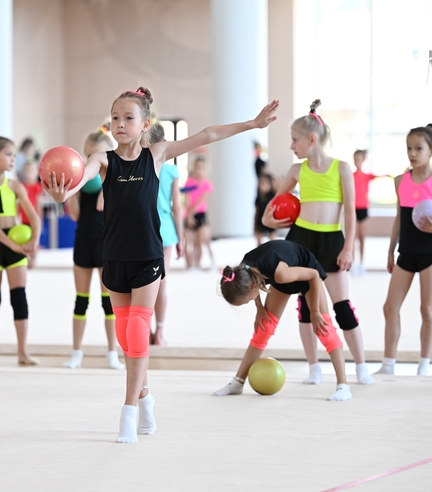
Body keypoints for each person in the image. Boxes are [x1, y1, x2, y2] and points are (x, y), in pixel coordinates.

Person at [45, 86, 279, 443]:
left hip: (148, 257)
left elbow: (208, 134)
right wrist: (65, 193)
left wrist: (252, 123)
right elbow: (83, 175)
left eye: (128, 118)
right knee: (127, 341)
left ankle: (128, 413)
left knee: (139, 333)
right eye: (115, 118)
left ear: (145, 124)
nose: (120, 124)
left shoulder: (156, 154)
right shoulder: (103, 157)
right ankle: (147, 396)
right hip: (114, 260)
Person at [262, 99, 374, 386]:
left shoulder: (342, 168)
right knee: (306, 306)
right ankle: (314, 367)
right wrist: (269, 220)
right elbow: (271, 208)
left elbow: (350, 210)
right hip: (301, 241)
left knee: (342, 306)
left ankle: (360, 366)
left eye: (294, 140)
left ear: (312, 139)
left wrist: (348, 247)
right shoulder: (297, 170)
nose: (291, 146)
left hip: (332, 241)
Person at [213, 241, 352, 401]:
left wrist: (314, 312)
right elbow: (255, 286)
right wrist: (259, 308)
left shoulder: (279, 274)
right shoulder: (244, 272)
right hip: (282, 275)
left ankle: (343, 385)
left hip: (307, 274)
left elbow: (313, 275)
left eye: (245, 302)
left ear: (252, 286)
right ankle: (237, 383)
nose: (247, 303)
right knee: (263, 327)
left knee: (324, 327)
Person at [375, 125, 432, 376]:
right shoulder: (401, 181)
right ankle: (388, 364)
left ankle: (424, 365)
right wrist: (390, 250)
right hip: (406, 252)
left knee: (426, 309)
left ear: (431, 151)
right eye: (409, 148)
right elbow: (399, 218)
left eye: (418, 148)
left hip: (430, 253)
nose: (412, 153)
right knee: (390, 306)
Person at [0, 132, 41, 366]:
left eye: (14, 155)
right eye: (8, 154)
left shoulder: (15, 185)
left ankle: (23, 352)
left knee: (19, 297)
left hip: (16, 241)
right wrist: (12, 245)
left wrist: (34, 240)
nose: (13, 159)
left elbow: (33, 216)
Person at [62, 127, 125, 370]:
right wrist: (73, 189)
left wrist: (105, 183)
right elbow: (76, 216)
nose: (93, 161)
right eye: (89, 156)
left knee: (108, 301)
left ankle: (112, 353)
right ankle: (76, 352)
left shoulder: (113, 179)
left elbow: (105, 208)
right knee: (81, 300)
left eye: (98, 156)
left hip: (106, 242)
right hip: (83, 240)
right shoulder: (81, 180)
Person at [150, 123, 183, 346]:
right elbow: (176, 207)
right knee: (162, 282)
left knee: (143, 283)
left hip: (145, 227)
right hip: (167, 229)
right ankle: (159, 332)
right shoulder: (171, 171)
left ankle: (147, 330)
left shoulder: (141, 166)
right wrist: (180, 238)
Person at [352, 149, 382, 274]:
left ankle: (361, 264)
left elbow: (382, 176)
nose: (357, 161)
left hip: (363, 209)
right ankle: (352, 264)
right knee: (352, 239)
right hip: (352, 209)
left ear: (364, 160)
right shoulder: (350, 175)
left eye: (359, 159)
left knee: (362, 238)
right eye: (355, 159)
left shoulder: (367, 176)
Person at [183, 155, 215, 270]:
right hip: (189, 214)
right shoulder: (189, 182)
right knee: (188, 242)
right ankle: (190, 265)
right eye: (198, 167)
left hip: (199, 214)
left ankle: (210, 263)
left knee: (203, 240)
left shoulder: (207, 184)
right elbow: (187, 199)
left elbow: (202, 199)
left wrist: (191, 213)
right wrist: (188, 215)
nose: (200, 170)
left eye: (202, 167)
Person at [18, 162, 43, 268]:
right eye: (27, 171)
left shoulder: (37, 186)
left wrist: (39, 217)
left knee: (34, 239)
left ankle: (33, 260)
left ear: (36, 172)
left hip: (33, 218)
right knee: (24, 240)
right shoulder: (21, 186)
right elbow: (18, 204)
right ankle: (26, 258)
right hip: (23, 218)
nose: (29, 173)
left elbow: (39, 203)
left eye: (31, 171)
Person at [254, 173, 276, 246]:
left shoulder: (272, 197)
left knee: (272, 237)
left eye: (265, 183)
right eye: (261, 183)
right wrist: (254, 225)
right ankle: (259, 251)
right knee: (259, 237)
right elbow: (256, 212)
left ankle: (273, 250)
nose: (262, 186)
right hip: (260, 220)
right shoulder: (258, 198)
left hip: (270, 219)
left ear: (270, 185)